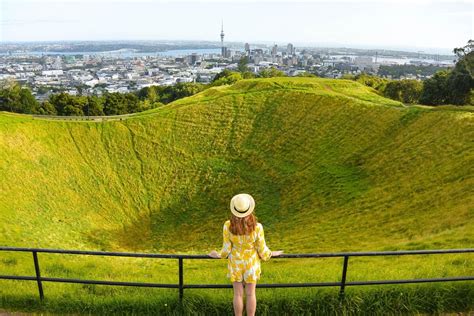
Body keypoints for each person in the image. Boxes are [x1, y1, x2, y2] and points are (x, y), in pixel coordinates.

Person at [209, 193, 283, 316]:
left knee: (237, 294)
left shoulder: (227, 225)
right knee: (250, 293)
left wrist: (217, 254)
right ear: (249, 209)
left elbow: (226, 250)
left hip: (236, 262)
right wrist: (271, 254)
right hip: (251, 263)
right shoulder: (257, 227)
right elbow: (262, 249)